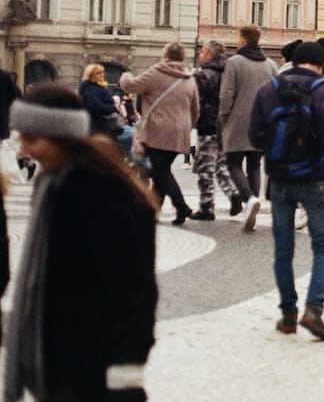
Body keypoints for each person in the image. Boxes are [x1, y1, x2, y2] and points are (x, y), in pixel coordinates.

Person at [6, 84, 158, 401]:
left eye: (34, 139)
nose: (25, 149)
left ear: (64, 138)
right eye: (22, 137)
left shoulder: (102, 192)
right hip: (59, 360)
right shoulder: (52, 183)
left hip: (92, 368)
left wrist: (125, 371)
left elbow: (135, 287)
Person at [249, 40, 324, 339]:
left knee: (283, 248)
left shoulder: (268, 90)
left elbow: (255, 137)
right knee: (322, 245)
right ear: (320, 63)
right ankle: (314, 309)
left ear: (293, 62)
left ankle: (288, 315)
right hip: (316, 178)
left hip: (280, 178)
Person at [120, 42, 199, 225]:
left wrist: (126, 74)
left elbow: (130, 86)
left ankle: (182, 207)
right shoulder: (189, 78)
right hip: (180, 131)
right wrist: (188, 127)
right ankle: (155, 211)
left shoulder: (157, 72)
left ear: (165, 56)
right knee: (160, 171)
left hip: (158, 130)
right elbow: (196, 109)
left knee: (161, 171)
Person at [220, 24, 277, 230]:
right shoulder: (271, 64)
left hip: (238, 120)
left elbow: (226, 94)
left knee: (233, 163)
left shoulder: (234, 62)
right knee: (254, 164)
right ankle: (250, 209)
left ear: (243, 40)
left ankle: (249, 199)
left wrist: (223, 117)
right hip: (262, 122)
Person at [192, 41, 240, 221]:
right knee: (221, 165)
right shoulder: (230, 73)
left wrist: (195, 121)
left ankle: (206, 206)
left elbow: (197, 103)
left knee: (205, 168)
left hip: (207, 125)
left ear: (210, 54)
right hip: (225, 126)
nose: (200, 55)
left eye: (203, 52)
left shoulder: (202, 75)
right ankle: (233, 193)